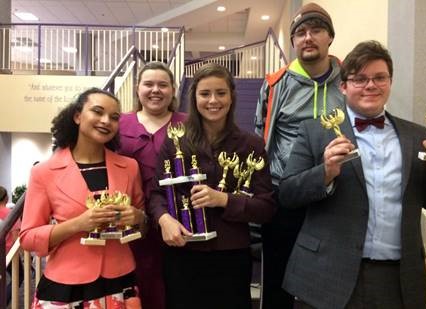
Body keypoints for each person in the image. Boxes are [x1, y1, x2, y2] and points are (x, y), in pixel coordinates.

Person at [279, 40, 426, 309]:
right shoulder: (314, 131)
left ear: (390, 82)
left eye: (379, 77)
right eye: (360, 78)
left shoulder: (416, 135)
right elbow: (288, 193)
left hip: (397, 279)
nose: (370, 85)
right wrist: (325, 172)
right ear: (343, 86)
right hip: (326, 274)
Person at [149, 63, 275, 309]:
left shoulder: (252, 145)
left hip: (231, 256)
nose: (213, 100)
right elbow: (156, 194)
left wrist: (224, 200)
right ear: (194, 97)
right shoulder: (175, 141)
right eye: (205, 93)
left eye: (221, 93)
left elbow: (266, 207)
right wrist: (164, 219)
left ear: (231, 97)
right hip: (182, 254)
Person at [20, 88, 147, 308]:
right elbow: (29, 237)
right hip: (65, 285)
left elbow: (143, 227)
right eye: (98, 112)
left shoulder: (129, 167)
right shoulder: (44, 172)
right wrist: (78, 224)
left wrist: (137, 218)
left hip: (120, 281)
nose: (106, 121)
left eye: (114, 117)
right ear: (77, 116)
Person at [253, 2, 344, 308]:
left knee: (330, 281)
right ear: (292, 41)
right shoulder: (275, 84)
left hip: (335, 193)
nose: (308, 37)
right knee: (278, 280)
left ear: (329, 37)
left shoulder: (349, 80)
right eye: (301, 32)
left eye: (316, 30)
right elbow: (260, 137)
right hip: (284, 193)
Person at [118, 61, 186, 309]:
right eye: (148, 84)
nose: (155, 90)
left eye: (163, 85)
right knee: (136, 287)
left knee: (174, 288)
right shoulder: (119, 124)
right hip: (130, 223)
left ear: (173, 90)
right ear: (137, 89)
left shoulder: (189, 124)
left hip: (179, 221)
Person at [0, 186, 24, 305]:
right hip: (8, 252)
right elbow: (16, 238)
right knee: (19, 276)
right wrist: (23, 255)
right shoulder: (10, 213)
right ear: (6, 197)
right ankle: (3, 301)